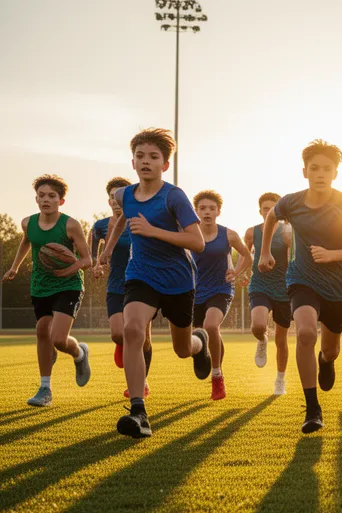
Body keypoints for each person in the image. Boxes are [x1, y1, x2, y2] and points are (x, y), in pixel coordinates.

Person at [99, 128, 212, 438]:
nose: (145, 161)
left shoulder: (173, 196)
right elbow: (123, 217)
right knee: (132, 330)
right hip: (141, 275)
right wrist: (108, 250)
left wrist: (152, 231)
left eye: (153, 157)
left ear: (165, 164)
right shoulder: (124, 194)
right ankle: (138, 412)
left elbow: (197, 241)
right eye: (140, 156)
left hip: (177, 280)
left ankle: (199, 342)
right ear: (132, 163)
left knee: (182, 349)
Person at [259, 139, 342, 434]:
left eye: (327, 169)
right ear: (304, 171)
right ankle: (312, 409)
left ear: (335, 173)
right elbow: (271, 217)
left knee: (330, 349)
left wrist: (332, 255)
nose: (320, 173)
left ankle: (326, 359)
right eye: (314, 168)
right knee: (305, 333)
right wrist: (265, 252)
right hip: (300, 279)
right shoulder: (291, 202)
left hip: (336, 286)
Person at [3, 174, 93, 407]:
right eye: (41, 195)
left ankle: (79, 353)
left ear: (60, 201)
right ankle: (45, 389)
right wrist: (15, 266)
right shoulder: (27, 223)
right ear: (36, 199)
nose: (46, 200)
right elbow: (26, 241)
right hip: (41, 285)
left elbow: (87, 260)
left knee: (58, 339)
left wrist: (68, 270)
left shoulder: (70, 225)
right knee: (42, 330)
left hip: (69, 285)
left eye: (51, 196)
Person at [92, 177, 155, 398]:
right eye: (112, 196)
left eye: (120, 196)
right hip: (116, 286)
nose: (116, 201)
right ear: (109, 200)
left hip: (141, 286)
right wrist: (97, 266)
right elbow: (94, 257)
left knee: (142, 339)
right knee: (119, 334)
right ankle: (123, 344)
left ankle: (141, 382)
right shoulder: (99, 226)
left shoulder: (141, 221)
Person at [192, 190, 251, 400]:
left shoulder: (228, 234)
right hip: (194, 293)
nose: (207, 212)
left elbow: (246, 255)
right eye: (202, 208)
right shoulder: (189, 233)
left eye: (211, 208)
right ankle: (204, 355)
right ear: (196, 211)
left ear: (218, 211)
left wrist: (236, 271)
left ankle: (217, 377)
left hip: (221, 289)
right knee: (202, 333)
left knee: (210, 326)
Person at [245, 192, 292, 395]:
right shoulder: (251, 232)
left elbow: (294, 256)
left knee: (281, 340)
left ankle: (280, 380)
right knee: (258, 326)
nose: (269, 211)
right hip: (260, 284)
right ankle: (262, 340)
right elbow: (245, 256)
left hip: (283, 288)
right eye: (266, 208)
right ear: (260, 211)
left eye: (273, 208)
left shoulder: (286, 232)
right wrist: (242, 273)